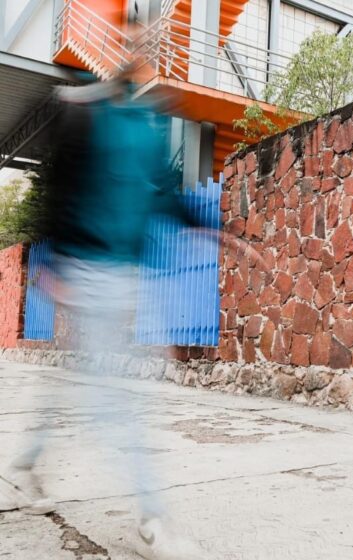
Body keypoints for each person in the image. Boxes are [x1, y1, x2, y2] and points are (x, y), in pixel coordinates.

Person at [1, 69, 207, 559]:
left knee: (79, 381)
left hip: (126, 273)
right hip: (87, 270)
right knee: (115, 402)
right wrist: (55, 265)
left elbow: (161, 189)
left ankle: (26, 462)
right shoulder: (85, 113)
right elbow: (61, 188)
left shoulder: (147, 121)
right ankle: (153, 521)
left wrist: (204, 226)